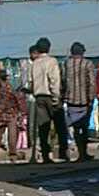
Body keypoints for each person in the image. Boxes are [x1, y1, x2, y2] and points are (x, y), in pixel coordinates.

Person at [31, 36, 68, 164]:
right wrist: (56, 96)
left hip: (39, 97)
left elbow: (32, 82)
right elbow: (54, 80)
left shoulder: (35, 63)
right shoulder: (51, 61)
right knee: (60, 126)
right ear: (49, 48)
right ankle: (63, 152)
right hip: (50, 96)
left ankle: (46, 154)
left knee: (43, 128)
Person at [63, 42, 96, 162]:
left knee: (76, 128)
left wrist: (64, 97)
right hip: (85, 100)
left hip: (71, 100)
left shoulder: (67, 64)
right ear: (82, 52)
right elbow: (91, 82)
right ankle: (84, 152)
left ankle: (80, 152)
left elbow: (63, 82)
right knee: (85, 127)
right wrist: (91, 98)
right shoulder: (88, 64)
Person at [0, 67, 25, 162]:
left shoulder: (9, 89)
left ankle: (12, 156)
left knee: (11, 137)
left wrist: (20, 114)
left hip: (9, 115)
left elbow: (17, 101)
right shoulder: (0, 89)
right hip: (1, 116)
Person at [20, 44, 39, 163]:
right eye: (34, 53)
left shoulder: (40, 63)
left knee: (39, 122)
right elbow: (24, 82)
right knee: (31, 123)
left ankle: (38, 143)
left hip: (39, 96)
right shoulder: (26, 65)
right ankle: (32, 144)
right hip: (30, 97)